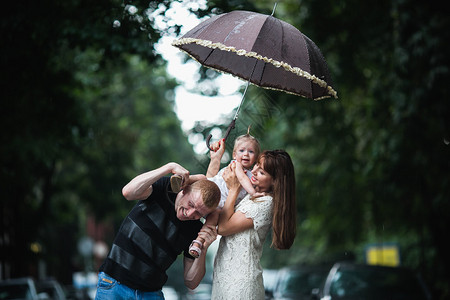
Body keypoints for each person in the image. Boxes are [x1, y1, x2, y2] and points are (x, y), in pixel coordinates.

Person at [95, 162, 221, 300]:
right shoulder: (164, 188)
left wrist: (203, 249)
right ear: (184, 190)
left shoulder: (195, 230)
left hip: (151, 293)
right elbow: (128, 192)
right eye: (191, 204)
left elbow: (191, 282)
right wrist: (169, 167)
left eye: (198, 213)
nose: (190, 214)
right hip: (114, 284)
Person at [211, 149, 297, 300]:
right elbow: (211, 190)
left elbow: (223, 228)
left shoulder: (265, 202)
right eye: (257, 164)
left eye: (262, 172)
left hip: (241, 285)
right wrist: (216, 159)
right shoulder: (250, 195)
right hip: (226, 279)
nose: (254, 171)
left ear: (275, 181)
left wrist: (233, 189)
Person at [173, 132, 261, 258]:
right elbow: (241, 178)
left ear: (256, 157)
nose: (246, 154)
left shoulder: (252, 175)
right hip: (210, 190)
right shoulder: (236, 166)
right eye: (242, 150)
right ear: (234, 155)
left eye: (251, 152)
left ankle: (198, 242)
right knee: (202, 178)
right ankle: (182, 181)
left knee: (212, 219)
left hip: (218, 206)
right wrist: (254, 193)